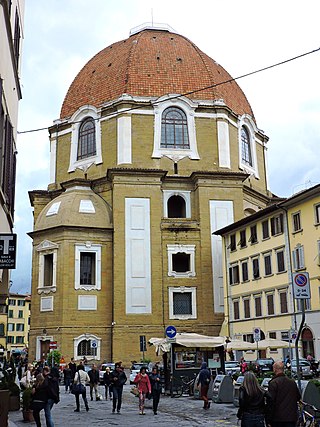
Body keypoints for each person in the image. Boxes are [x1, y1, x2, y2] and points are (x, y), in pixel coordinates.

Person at [266, 361, 301, 427]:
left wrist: (268, 419)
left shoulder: (273, 383)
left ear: (275, 369)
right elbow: (298, 397)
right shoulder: (292, 382)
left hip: (277, 419)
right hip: (291, 417)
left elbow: (271, 402)